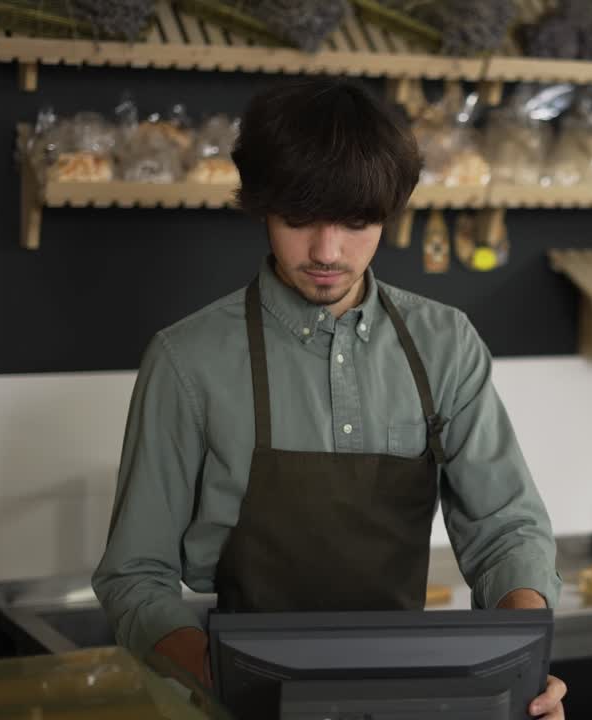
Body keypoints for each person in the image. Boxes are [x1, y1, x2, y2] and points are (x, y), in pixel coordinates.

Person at [93, 78, 566, 718]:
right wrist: (217, 676)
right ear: (261, 207)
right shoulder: (187, 361)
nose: (326, 252)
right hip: (238, 702)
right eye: (299, 219)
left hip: (409, 701)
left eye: (356, 221)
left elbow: (506, 530)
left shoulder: (445, 344)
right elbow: (134, 574)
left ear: (388, 214)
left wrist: (522, 657)